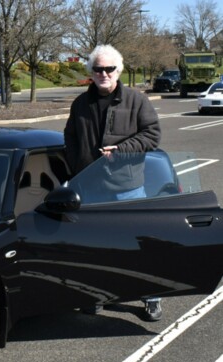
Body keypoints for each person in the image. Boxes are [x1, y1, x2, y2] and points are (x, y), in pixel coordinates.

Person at [64, 44, 163, 322]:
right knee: (98, 247)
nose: (103, 73)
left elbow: (152, 135)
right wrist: (76, 166)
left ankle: (151, 297)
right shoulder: (80, 104)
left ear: (118, 70)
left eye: (109, 69)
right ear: (91, 73)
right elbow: (70, 137)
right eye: (98, 69)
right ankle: (97, 295)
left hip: (128, 187)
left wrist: (123, 150)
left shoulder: (136, 100)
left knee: (138, 244)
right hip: (90, 189)